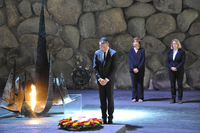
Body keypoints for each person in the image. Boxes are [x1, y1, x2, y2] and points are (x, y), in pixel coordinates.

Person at [93, 37, 118, 124]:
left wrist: (106, 79)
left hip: (109, 80)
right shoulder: (97, 53)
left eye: (104, 47)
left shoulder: (113, 53)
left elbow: (114, 68)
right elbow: (95, 68)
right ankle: (103, 117)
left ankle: (110, 117)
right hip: (100, 81)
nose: (102, 49)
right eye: (101, 47)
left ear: (108, 45)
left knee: (110, 99)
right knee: (102, 99)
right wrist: (99, 78)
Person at [166, 39, 185, 104]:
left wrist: (176, 67)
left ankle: (179, 99)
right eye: (173, 43)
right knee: (172, 84)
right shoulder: (169, 51)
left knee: (179, 84)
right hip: (171, 70)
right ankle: (173, 98)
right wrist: (171, 67)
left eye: (175, 43)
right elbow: (167, 61)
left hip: (179, 70)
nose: (174, 45)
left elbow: (182, 61)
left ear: (178, 44)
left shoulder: (181, 52)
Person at [128, 37, 145, 103]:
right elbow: (129, 60)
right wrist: (133, 68)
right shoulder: (131, 50)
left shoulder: (142, 50)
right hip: (132, 70)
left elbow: (142, 60)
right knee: (134, 84)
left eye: (136, 42)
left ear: (139, 43)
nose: (135, 43)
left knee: (140, 83)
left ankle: (140, 97)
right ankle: (134, 97)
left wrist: (138, 68)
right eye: (134, 42)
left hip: (140, 70)